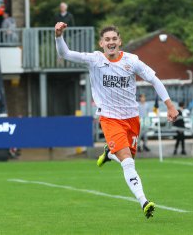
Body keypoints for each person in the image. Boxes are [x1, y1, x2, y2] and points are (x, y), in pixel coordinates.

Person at [55, 23, 178, 219]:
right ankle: (144, 201)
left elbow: (154, 79)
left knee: (126, 160)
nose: (111, 42)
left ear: (119, 41)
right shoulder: (94, 60)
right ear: (101, 43)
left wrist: (170, 106)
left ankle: (109, 154)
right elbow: (66, 54)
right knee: (128, 163)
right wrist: (58, 36)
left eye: (114, 39)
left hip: (131, 118)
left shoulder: (132, 61)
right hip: (110, 118)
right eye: (107, 40)